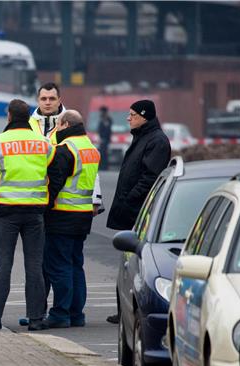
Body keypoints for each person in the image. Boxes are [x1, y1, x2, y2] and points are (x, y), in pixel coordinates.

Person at [0, 99, 53, 331]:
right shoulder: (45, 143)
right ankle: (37, 319)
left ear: (8, 116)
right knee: (34, 266)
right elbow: (54, 174)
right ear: (28, 116)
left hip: (7, 211)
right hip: (35, 211)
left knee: (3, 265)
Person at [105, 99, 170, 324]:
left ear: (144, 116)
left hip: (139, 212)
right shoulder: (143, 137)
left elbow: (150, 177)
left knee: (136, 264)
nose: (128, 118)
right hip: (132, 210)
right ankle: (124, 309)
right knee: (127, 262)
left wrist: (130, 197)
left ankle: (132, 309)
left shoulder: (156, 141)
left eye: (132, 114)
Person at [42, 110, 100, 328]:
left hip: (62, 215)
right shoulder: (90, 148)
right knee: (76, 264)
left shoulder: (66, 150)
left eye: (57, 125)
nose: (56, 129)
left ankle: (60, 313)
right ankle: (76, 313)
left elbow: (54, 183)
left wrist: (44, 207)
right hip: (83, 215)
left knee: (59, 266)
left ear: (65, 124)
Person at [97, 106, 112, 171]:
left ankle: (105, 167)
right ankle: (101, 166)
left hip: (105, 140)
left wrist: (104, 138)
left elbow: (108, 130)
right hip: (101, 139)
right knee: (101, 153)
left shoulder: (108, 119)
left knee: (104, 153)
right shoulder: (102, 119)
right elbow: (99, 129)